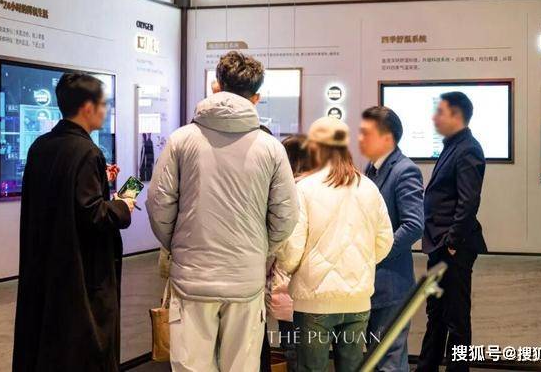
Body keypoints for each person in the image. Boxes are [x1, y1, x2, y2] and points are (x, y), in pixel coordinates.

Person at [146, 51, 299, 372]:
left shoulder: (181, 140)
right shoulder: (271, 148)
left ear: (216, 86)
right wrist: (260, 249)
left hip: (192, 279)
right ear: (256, 97)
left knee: (191, 366)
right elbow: (286, 216)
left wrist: (179, 245)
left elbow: (159, 203)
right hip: (245, 279)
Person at [13, 72, 135, 372]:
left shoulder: (40, 146)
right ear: (87, 107)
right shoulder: (87, 151)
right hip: (79, 275)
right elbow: (94, 215)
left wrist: (99, 179)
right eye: (103, 104)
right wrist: (123, 205)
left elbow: (60, 195)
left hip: (45, 267)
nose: (105, 111)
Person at [277, 117, 394, 372]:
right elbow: (385, 240)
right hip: (358, 301)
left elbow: (291, 248)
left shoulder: (304, 188)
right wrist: (361, 264)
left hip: (314, 302)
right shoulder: (369, 187)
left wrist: (292, 269)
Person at [417, 92, 488, 372]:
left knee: (456, 318)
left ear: (456, 115)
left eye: (440, 112)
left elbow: (468, 200)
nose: (435, 118)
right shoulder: (452, 146)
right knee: (436, 312)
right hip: (440, 245)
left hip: (453, 248)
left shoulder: (468, 148)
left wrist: (452, 242)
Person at [358, 106, 425, 372]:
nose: (360, 138)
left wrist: (376, 253)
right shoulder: (372, 168)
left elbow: (413, 225)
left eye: (367, 133)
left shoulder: (405, 170)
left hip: (391, 283)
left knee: (390, 361)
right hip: (373, 282)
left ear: (387, 138)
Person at [264, 134, 313, 372]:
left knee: (292, 348)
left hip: (289, 283)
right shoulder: (322, 188)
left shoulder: (290, 193)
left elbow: (283, 244)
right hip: (318, 285)